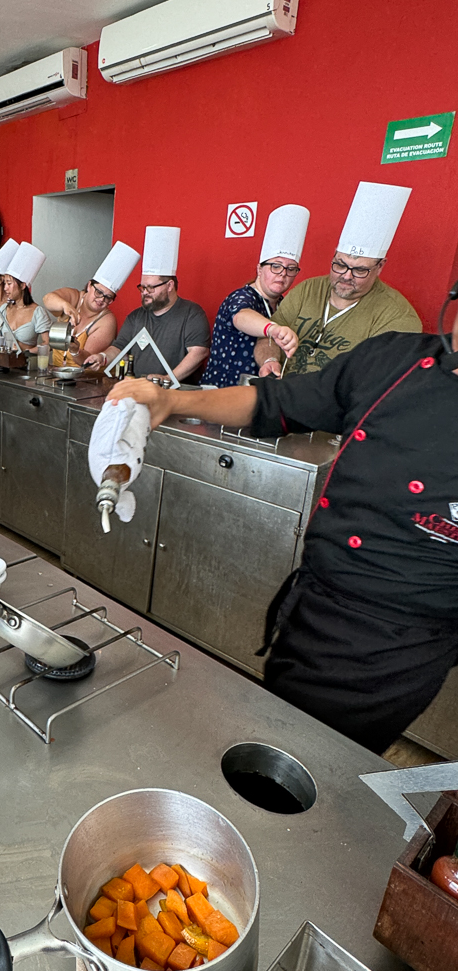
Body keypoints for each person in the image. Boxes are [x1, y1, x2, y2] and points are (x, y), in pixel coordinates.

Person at [106, 286, 458, 756]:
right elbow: (272, 402)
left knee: (316, 758)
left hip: (396, 643)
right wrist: (175, 403)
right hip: (313, 597)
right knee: (274, 731)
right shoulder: (391, 359)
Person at [254, 182, 421, 378]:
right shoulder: (308, 289)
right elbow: (268, 338)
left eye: (360, 270)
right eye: (340, 264)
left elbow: (380, 379)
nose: (346, 276)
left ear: (380, 266)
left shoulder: (397, 316)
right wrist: (269, 360)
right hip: (283, 394)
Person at [202, 205, 308, 387]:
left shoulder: (283, 303)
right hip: (222, 391)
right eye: (275, 266)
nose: (283, 274)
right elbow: (241, 316)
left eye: (291, 269)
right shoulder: (242, 297)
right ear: (260, 269)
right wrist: (273, 330)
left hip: (257, 393)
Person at [86, 227, 209, 382]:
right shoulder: (136, 317)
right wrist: (102, 357)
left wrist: (168, 378)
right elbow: (119, 349)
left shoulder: (192, 314)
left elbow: (198, 352)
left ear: (169, 285)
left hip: (176, 395)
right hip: (139, 390)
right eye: (142, 287)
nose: (144, 292)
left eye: (150, 287)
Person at [42, 241, 140, 366]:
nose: (101, 300)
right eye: (99, 292)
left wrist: (75, 350)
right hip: (56, 373)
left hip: (85, 379)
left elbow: (87, 361)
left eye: (108, 297)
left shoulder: (107, 320)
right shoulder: (74, 297)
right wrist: (65, 305)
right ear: (89, 285)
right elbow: (47, 299)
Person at [0, 242, 52, 350]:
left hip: (28, 364)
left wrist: (26, 351)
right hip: (5, 363)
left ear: (22, 285)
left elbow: (48, 344)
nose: (5, 288)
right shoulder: (4, 309)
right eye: (5, 283)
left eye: (9, 283)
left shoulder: (38, 312)